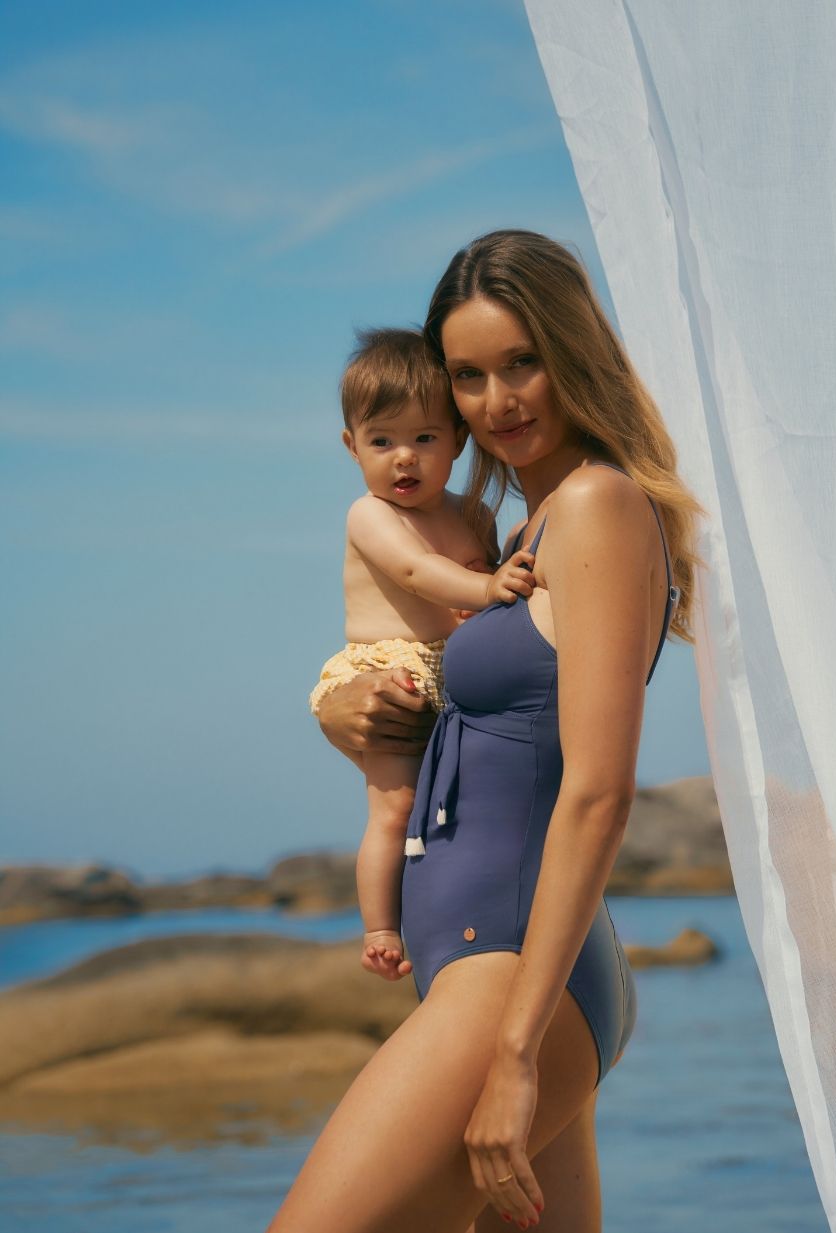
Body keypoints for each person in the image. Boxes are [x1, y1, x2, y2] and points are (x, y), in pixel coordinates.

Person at [269, 231, 705, 1233]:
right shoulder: (522, 536)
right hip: (489, 970)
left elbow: (596, 793)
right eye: (466, 376)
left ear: (575, 352)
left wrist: (512, 1052)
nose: (496, 400)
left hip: (510, 979)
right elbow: (481, 738)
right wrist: (349, 713)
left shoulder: (594, 506)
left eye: (522, 362)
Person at [308, 327, 536, 980]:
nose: (403, 459)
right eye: (382, 441)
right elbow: (415, 573)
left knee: (450, 804)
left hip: (452, 674)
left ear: (459, 440)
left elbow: (471, 597)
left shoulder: (475, 516)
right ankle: (380, 926)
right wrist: (488, 585)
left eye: (424, 438)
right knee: (395, 805)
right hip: (390, 671)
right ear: (353, 446)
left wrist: (488, 587)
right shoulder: (371, 515)